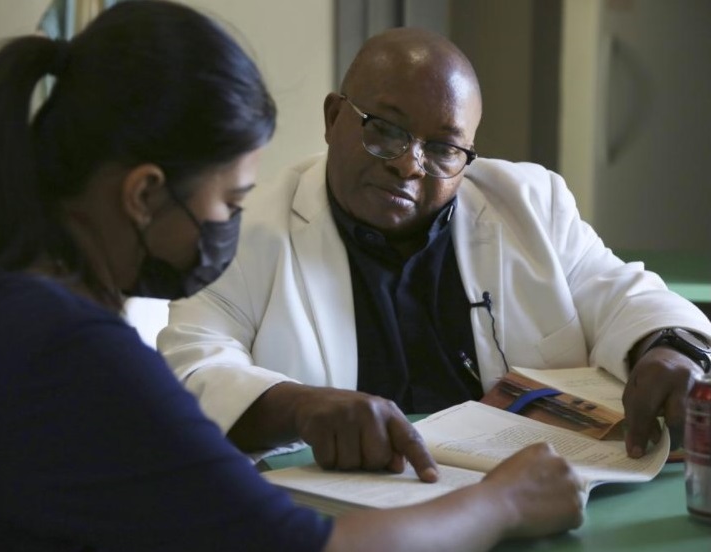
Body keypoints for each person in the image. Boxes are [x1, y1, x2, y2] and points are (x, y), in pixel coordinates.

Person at [0, 2, 583, 550]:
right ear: (144, 194)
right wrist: (504, 503)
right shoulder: (64, 347)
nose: (232, 227)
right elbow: (310, 547)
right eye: (230, 202)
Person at [158, 26, 711, 475]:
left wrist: (671, 350)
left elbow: (623, 294)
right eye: (384, 130)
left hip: (524, 497)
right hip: (344, 516)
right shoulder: (248, 227)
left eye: (444, 147)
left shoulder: (529, 203)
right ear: (333, 119)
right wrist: (300, 407)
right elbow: (191, 367)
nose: (408, 164)